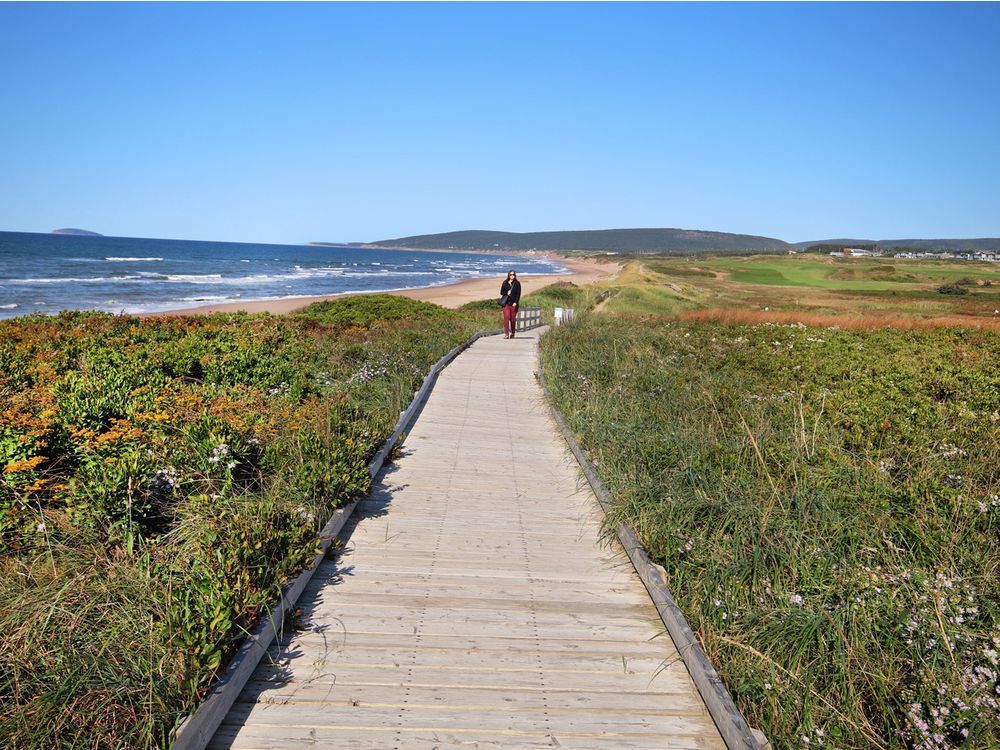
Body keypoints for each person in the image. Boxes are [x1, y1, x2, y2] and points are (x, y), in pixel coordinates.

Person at [500, 269, 521, 339]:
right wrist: (506, 293)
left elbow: (518, 294)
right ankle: (506, 334)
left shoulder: (517, 283)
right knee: (506, 317)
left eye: (513, 275)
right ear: (508, 275)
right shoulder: (505, 282)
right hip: (506, 304)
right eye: (511, 274)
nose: (512, 276)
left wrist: (516, 302)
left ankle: (513, 333)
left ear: (515, 275)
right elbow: (501, 292)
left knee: (512, 319)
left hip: (513, 304)